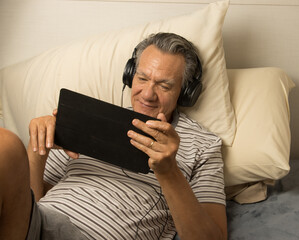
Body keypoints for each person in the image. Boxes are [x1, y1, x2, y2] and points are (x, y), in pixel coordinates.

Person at [0, 32, 227, 240]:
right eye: (142, 78)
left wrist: (169, 172)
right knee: (6, 144)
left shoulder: (203, 145)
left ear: (185, 93)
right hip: (40, 224)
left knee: (6, 144)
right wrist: (38, 148)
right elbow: (23, 206)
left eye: (164, 86)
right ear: (129, 76)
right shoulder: (90, 117)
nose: (147, 94)